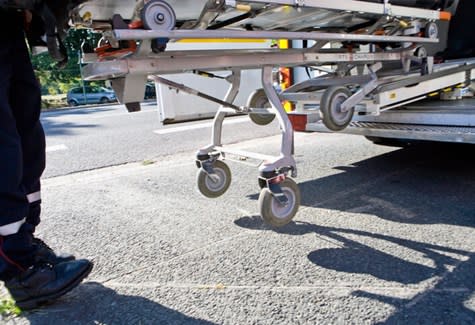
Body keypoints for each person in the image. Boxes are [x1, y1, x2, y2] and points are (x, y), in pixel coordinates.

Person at [0, 2, 92, 310]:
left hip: (8, 15)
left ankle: (24, 240)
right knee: (2, 139)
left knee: (26, 128)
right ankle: (17, 266)